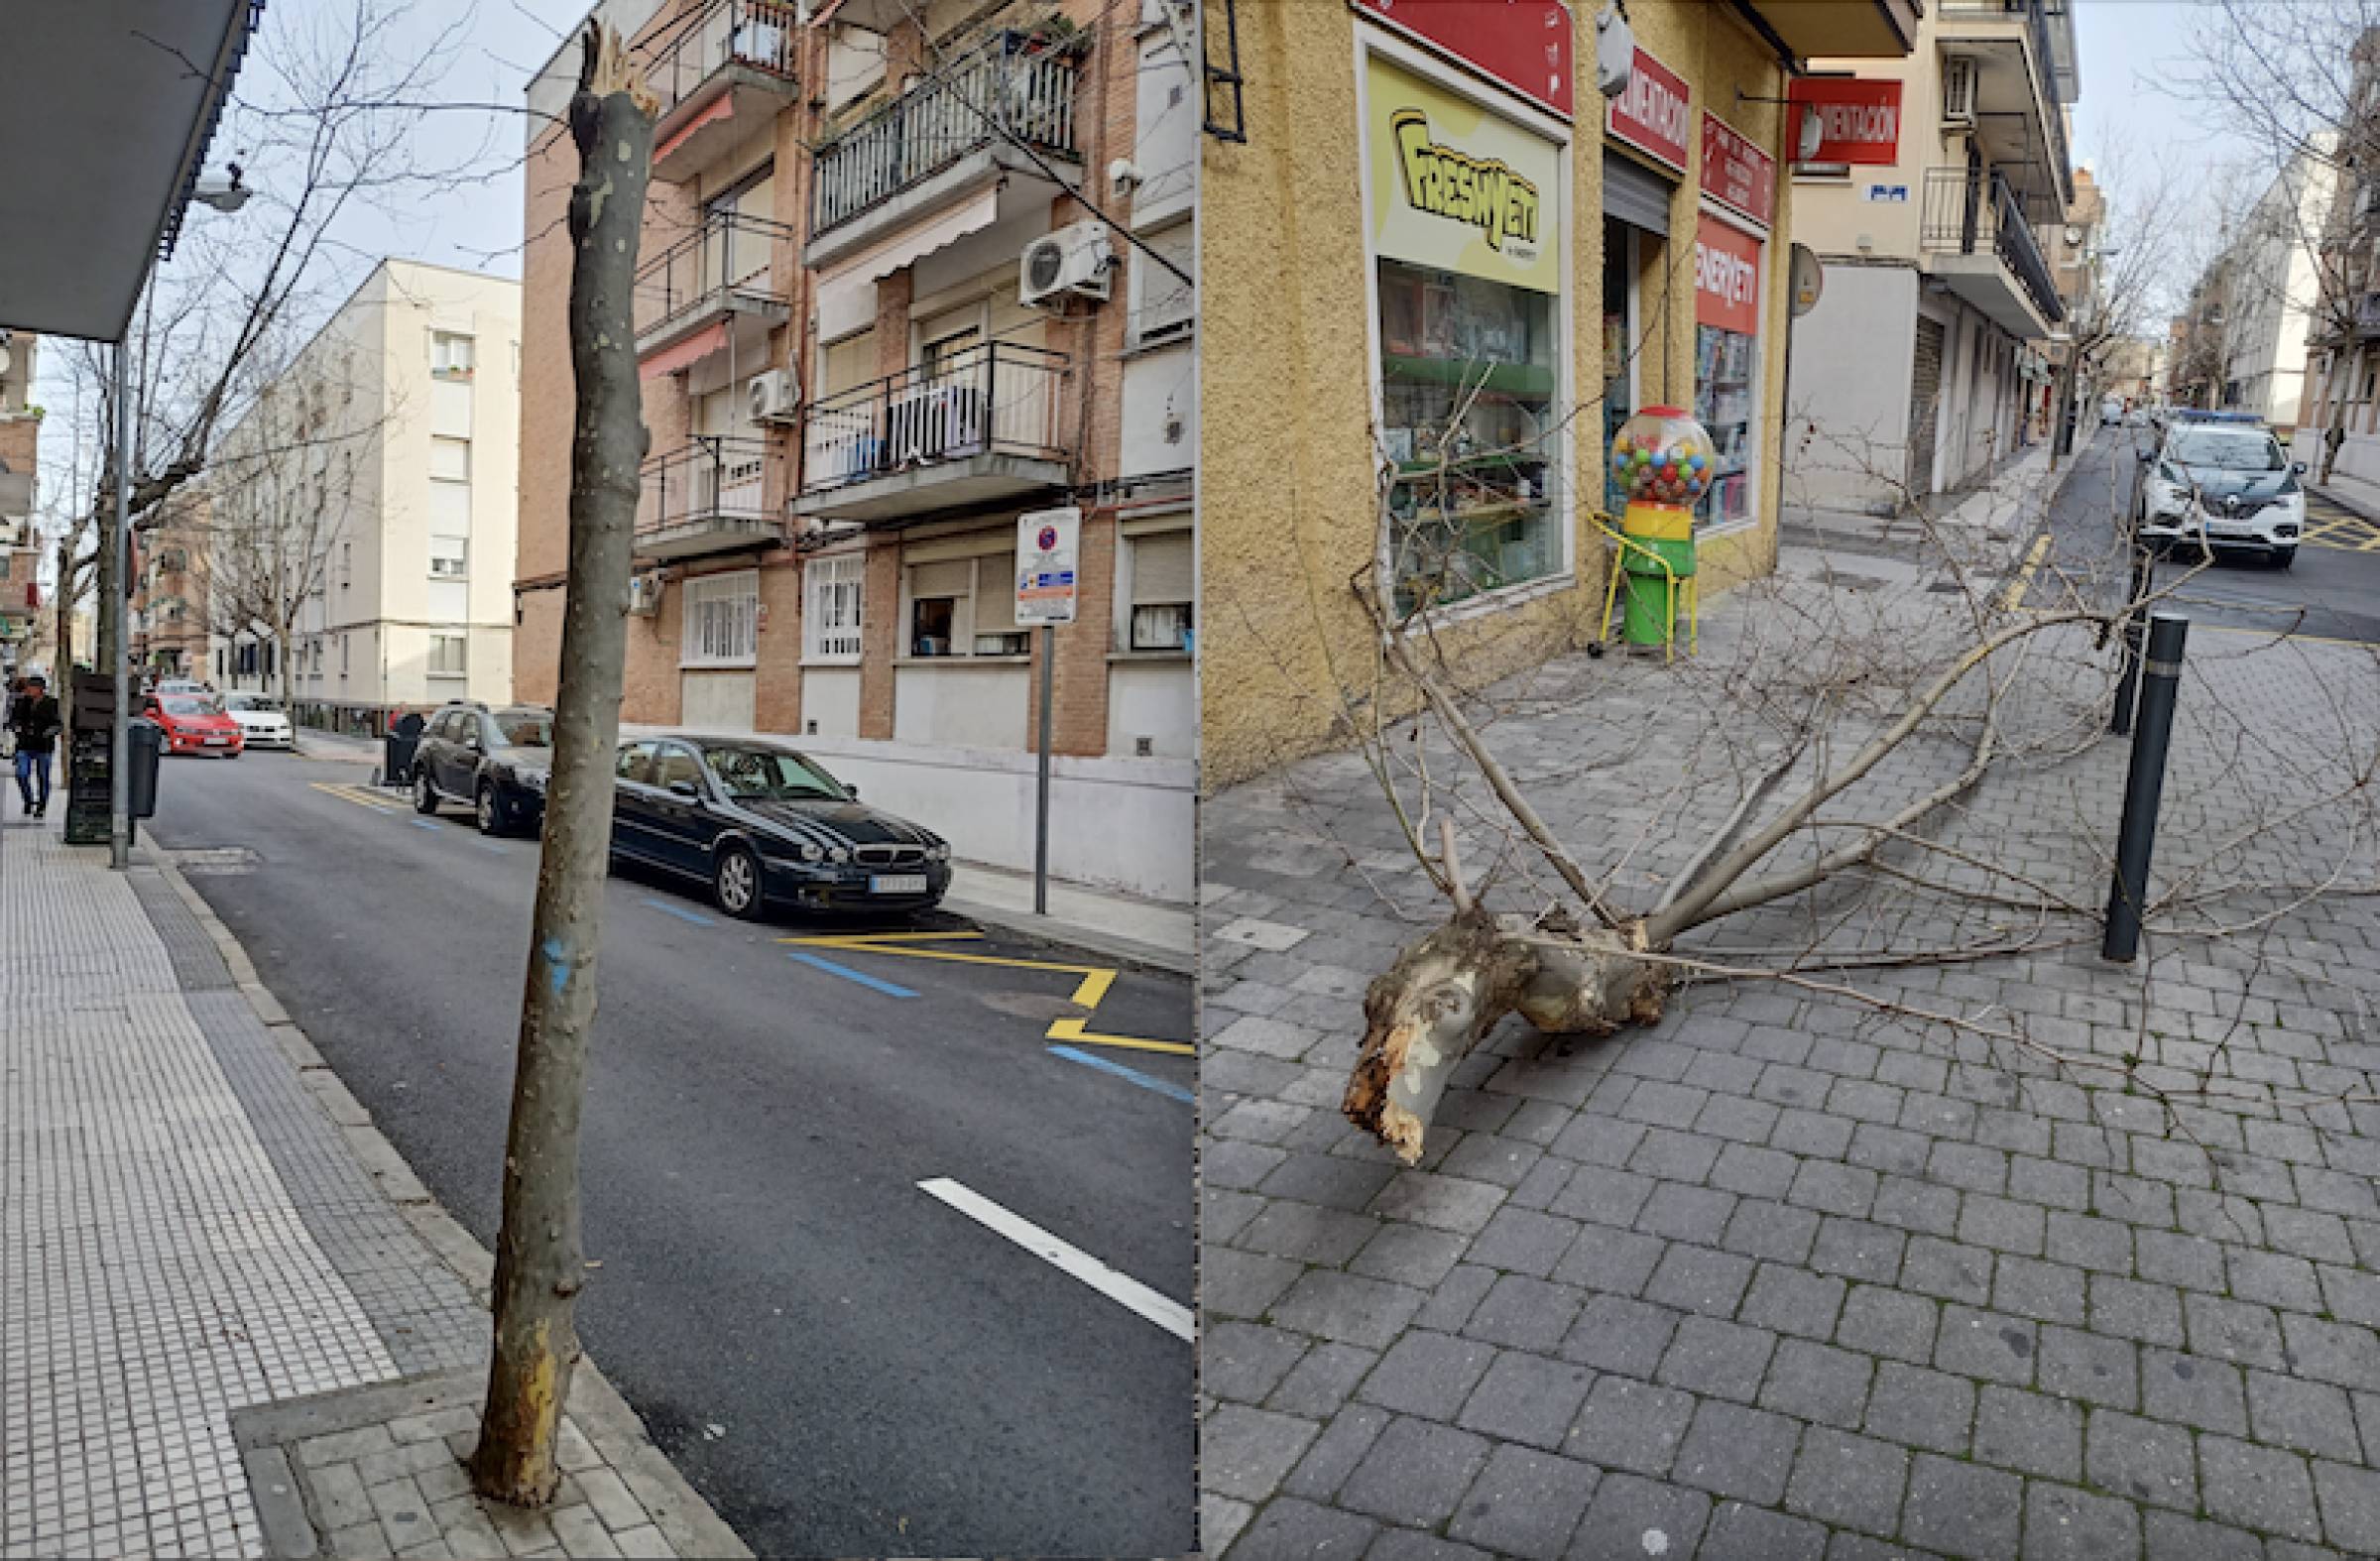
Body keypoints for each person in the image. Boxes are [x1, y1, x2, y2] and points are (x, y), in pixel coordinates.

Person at [9, 673, 61, 817]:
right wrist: (16, 727)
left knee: (43, 777)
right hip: (24, 745)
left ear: (40, 689)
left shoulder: (52, 703)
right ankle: (28, 800)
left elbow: (58, 724)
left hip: (43, 746)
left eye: (32, 687)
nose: (29, 690)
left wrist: (48, 733)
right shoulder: (21, 703)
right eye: (28, 687)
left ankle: (41, 806)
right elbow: (13, 720)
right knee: (21, 774)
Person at [2323, 420, 2346, 485]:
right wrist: (2331, 443)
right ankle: (2325, 475)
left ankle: (2326, 474)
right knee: (2329, 460)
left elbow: (2326, 436)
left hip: (2331, 447)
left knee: (2329, 460)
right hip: (2332, 447)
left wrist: (2329, 443)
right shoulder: (2338, 430)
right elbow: (2326, 436)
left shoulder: (2334, 429)